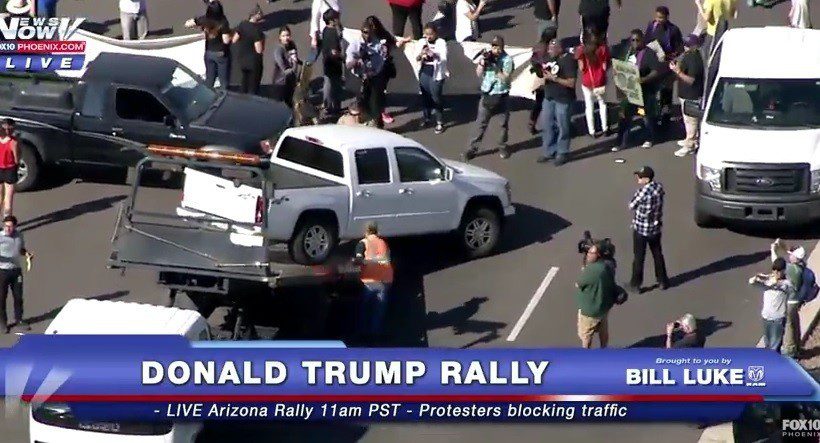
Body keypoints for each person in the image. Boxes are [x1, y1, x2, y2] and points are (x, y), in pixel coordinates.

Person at [463, 35, 514, 161]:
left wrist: (496, 67)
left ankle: (502, 146)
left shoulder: (507, 60)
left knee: (503, 125)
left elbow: (506, 78)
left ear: (502, 48)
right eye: (494, 46)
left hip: (501, 96)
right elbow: (478, 73)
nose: (495, 50)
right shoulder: (487, 57)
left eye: (498, 47)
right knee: (480, 124)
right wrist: (482, 62)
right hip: (487, 95)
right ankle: (472, 149)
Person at [616, 29, 661, 151]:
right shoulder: (628, 52)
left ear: (643, 40)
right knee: (625, 116)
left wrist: (644, 79)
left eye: (637, 40)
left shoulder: (649, 53)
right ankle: (622, 141)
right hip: (629, 91)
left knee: (645, 116)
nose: (635, 43)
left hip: (644, 92)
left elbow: (655, 71)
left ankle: (649, 138)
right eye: (632, 40)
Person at [628, 166, 670, 292]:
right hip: (655, 228)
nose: (637, 178)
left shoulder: (642, 192)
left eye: (639, 177)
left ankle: (636, 284)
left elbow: (631, 205)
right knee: (657, 254)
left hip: (641, 229)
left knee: (639, 257)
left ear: (646, 179)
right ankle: (662, 280)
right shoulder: (658, 187)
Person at [537, 38, 576, 166]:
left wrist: (554, 78)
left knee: (563, 126)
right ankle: (549, 151)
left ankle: (562, 152)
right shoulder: (549, 58)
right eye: (548, 48)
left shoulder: (569, 60)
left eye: (551, 49)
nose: (549, 51)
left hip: (563, 99)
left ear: (560, 49)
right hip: (549, 97)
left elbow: (571, 83)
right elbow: (543, 73)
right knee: (547, 124)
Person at [644, 6, 684, 128]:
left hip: (666, 66)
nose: (658, 19)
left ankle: (665, 119)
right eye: (657, 17)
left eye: (661, 18)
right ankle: (654, 117)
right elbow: (647, 39)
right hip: (653, 64)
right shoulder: (652, 25)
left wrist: (669, 55)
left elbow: (680, 48)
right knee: (652, 92)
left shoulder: (673, 30)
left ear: (667, 17)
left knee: (666, 93)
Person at [575, 242, 617, 349]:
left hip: (590, 310)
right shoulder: (609, 266)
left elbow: (579, 284)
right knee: (603, 332)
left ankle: (586, 357)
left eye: (590, 253)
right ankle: (603, 351)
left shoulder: (591, 270)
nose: (588, 254)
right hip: (603, 307)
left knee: (586, 336)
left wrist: (585, 270)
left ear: (598, 255)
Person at [355, 222, 393, 339]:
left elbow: (359, 259)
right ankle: (375, 334)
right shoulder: (383, 243)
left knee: (365, 307)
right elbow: (388, 258)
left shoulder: (363, 243)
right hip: (385, 279)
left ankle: (362, 333)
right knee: (379, 309)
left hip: (370, 280)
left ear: (366, 231)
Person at [670, 34, 704, 157]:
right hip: (685, 94)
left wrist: (677, 72)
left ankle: (690, 145)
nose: (685, 47)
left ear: (694, 46)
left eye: (687, 45)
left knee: (692, 122)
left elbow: (691, 80)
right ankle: (689, 139)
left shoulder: (695, 60)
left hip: (692, 96)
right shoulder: (688, 56)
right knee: (687, 120)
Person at [771, 239, 806, 357]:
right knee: (795, 324)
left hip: (790, 302)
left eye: (791, 255)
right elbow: (787, 254)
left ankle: (790, 351)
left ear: (795, 258)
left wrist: (773, 250)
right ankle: (797, 346)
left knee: (789, 325)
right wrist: (780, 245)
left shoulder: (791, 269)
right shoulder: (800, 267)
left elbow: (776, 264)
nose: (789, 256)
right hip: (796, 300)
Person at [749, 258, 792, 352]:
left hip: (778, 319)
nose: (776, 273)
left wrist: (769, 280)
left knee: (775, 346)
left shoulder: (786, 283)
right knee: (767, 344)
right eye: (774, 270)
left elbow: (780, 285)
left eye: (779, 271)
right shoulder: (768, 281)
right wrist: (757, 277)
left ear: (784, 270)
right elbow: (751, 282)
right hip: (766, 317)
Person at [185, 6, 232, 90]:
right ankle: (224, 96)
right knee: (223, 80)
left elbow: (188, 24)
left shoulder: (204, 19)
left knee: (210, 78)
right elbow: (226, 40)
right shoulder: (223, 22)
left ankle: (206, 95)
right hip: (220, 53)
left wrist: (199, 28)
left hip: (209, 52)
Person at [575, 30, 610, 138]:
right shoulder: (603, 49)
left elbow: (581, 68)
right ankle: (605, 128)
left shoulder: (582, 51)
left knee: (589, 106)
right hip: (600, 81)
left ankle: (592, 131)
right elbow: (605, 67)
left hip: (587, 82)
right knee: (602, 105)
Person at [416, 23, 448, 134]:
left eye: (431, 34)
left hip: (436, 74)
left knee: (436, 98)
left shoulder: (441, 42)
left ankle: (439, 122)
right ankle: (427, 117)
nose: (428, 37)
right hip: (424, 72)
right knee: (425, 96)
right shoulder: (421, 42)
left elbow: (443, 58)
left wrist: (433, 54)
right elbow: (417, 57)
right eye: (426, 34)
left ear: (435, 33)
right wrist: (422, 54)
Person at [0, 216, 30, 334]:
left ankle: (19, 320)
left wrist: (27, 253)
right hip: (2, 271)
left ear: (15, 227)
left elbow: (20, 249)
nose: (7, 228)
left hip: (16, 271)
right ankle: (2, 322)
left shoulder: (19, 235)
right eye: (6, 226)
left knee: (18, 297)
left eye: (10, 226)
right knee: (2, 298)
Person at [528, 28, 558, 135]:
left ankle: (532, 122)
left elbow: (533, 60)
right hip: (548, 79)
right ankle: (553, 125)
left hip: (538, 79)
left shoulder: (537, 46)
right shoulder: (548, 49)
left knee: (538, 102)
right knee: (551, 102)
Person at [319, 9, 346, 118]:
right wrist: (343, 58)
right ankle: (335, 109)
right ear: (331, 20)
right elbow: (335, 52)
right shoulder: (334, 33)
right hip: (334, 65)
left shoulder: (325, 30)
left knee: (328, 85)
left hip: (326, 63)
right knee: (335, 87)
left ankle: (327, 107)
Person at [233, 6, 265, 95]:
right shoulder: (256, 31)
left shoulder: (243, 24)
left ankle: (241, 100)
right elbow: (259, 50)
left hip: (242, 60)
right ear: (257, 15)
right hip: (253, 62)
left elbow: (234, 39)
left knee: (244, 81)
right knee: (253, 86)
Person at [695, 0, 738, 66]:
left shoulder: (711, 1)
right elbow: (733, 15)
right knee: (719, 56)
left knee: (707, 59)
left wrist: (699, 5)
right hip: (723, 31)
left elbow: (706, 18)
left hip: (712, 33)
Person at [271, 26, 301, 108]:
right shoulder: (279, 49)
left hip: (291, 80)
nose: (286, 38)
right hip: (281, 81)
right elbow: (282, 65)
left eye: (287, 35)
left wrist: (300, 63)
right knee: (280, 104)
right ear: (279, 37)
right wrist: (290, 70)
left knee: (290, 101)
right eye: (283, 36)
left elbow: (294, 58)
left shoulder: (292, 45)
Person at [0, 119, 19, 216]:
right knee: (8, 198)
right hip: (10, 170)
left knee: (0, 196)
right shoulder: (13, 142)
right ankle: (7, 223)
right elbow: (16, 159)